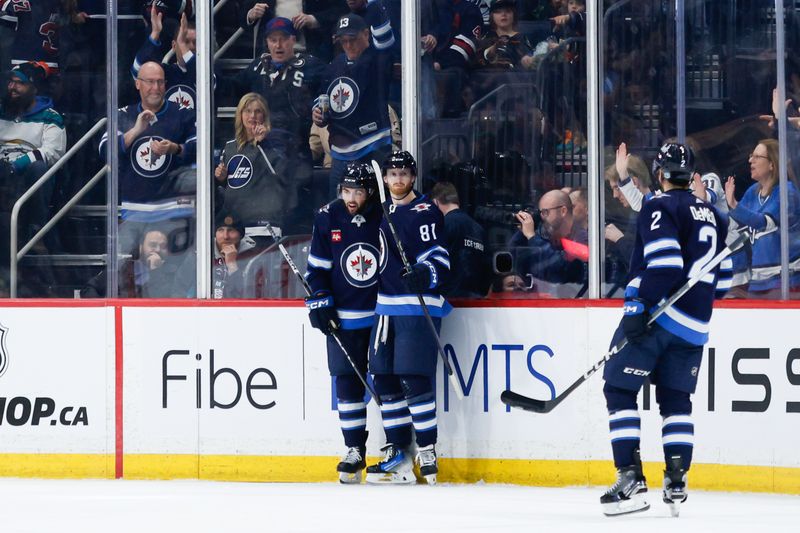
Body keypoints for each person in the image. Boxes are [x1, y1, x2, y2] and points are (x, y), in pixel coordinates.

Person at [600, 142, 733, 516]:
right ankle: (676, 479)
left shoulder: (660, 206)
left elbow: (666, 264)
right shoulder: (713, 215)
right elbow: (722, 282)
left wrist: (637, 306)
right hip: (695, 325)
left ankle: (630, 477)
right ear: (690, 175)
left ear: (659, 174)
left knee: (619, 388)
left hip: (661, 316)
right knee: (676, 401)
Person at [366, 151, 451, 485]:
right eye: (392, 174)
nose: (398, 179)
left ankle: (427, 448)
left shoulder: (425, 210)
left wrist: (423, 272)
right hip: (385, 305)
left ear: (413, 177)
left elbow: (440, 258)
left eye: (404, 173)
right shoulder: (381, 211)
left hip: (417, 306)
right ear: (385, 179)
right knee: (383, 377)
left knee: (414, 378)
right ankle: (398, 452)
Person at [304, 162, 382, 483]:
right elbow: (317, 269)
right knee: (347, 383)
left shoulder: (383, 215)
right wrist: (320, 298)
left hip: (381, 315)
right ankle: (354, 449)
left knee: (389, 382)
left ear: (370, 192)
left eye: (358, 191)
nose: (351, 198)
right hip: (345, 318)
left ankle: (395, 447)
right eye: (347, 191)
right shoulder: (327, 216)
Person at [312, 12, 395, 197]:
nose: (348, 45)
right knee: (339, 209)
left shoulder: (378, 58)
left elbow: (386, 38)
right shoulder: (335, 65)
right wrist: (318, 113)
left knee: (375, 206)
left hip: (373, 146)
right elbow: (322, 97)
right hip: (340, 153)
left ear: (366, 34)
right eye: (343, 41)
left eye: (353, 39)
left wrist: (373, 5)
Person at [99, 61, 196, 207]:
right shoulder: (123, 115)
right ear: (138, 84)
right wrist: (135, 131)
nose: (156, 88)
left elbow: (202, 149)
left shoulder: (183, 113)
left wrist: (175, 148)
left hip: (171, 208)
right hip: (134, 208)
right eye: (150, 82)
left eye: (160, 82)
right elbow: (105, 150)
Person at [0, 61, 66, 250]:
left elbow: (53, 151)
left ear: (34, 88)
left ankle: (36, 232)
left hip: (27, 175)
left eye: (19, 83)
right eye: (10, 82)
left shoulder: (50, 116)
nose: (12, 87)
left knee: (39, 167)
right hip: (2, 171)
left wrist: (20, 163)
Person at [724, 139, 800, 297]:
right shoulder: (753, 192)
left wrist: (734, 206)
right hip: (757, 282)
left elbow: (763, 223)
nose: (750, 160)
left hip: (786, 282)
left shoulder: (787, 192)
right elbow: (734, 225)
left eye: (757, 156)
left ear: (772, 164)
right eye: (752, 155)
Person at [214, 92, 296, 231]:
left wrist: (263, 144)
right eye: (248, 111)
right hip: (233, 223)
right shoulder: (229, 146)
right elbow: (226, 184)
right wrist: (220, 178)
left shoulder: (276, 142)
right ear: (240, 115)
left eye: (258, 111)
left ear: (264, 116)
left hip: (263, 222)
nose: (252, 116)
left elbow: (280, 173)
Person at [508, 189, 587, 288]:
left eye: (545, 212)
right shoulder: (545, 235)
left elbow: (558, 268)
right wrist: (523, 232)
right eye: (540, 213)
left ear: (563, 211)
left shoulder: (582, 238)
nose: (542, 217)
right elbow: (513, 257)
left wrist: (531, 236)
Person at [430, 180, 490, 297]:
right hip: (476, 300)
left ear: (436, 202)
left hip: (449, 300)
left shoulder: (443, 225)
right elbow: (487, 269)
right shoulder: (479, 229)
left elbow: (435, 262)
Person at [132, 10, 198, 110]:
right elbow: (138, 70)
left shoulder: (211, 71)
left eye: (196, 42)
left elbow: (203, 77)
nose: (191, 46)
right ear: (174, 45)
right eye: (186, 41)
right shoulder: (164, 72)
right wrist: (155, 33)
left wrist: (182, 44)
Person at [212, 213, 255, 299]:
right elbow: (181, 288)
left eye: (231, 230)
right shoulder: (202, 253)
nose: (226, 236)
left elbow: (248, 296)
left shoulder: (253, 257)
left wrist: (232, 265)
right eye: (220, 230)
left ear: (240, 236)